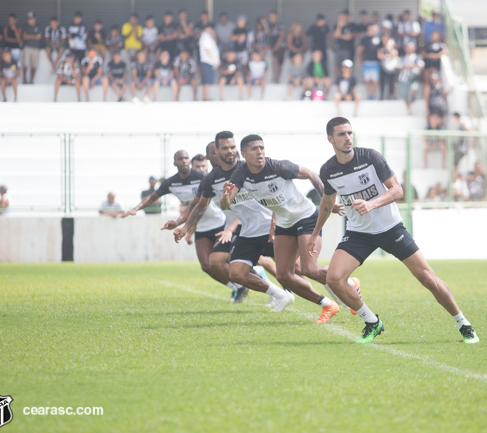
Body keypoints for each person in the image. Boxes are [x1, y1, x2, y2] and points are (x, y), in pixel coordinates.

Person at [308, 117, 479, 344]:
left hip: (390, 228)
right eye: (341, 134)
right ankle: (372, 322)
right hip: (359, 233)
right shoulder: (328, 170)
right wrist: (314, 233)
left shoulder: (370, 157)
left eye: (349, 133)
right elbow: (327, 203)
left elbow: (397, 191)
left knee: (427, 278)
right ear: (330, 139)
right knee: (334, 278)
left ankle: (463, 323)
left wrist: (371, 204)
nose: (347, 138)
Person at [212, 134, 359, 323]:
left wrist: (328, 202)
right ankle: (328, 305)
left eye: (262, 147)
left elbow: (312, 175)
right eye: (254, 149)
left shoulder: (279, 166)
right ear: (244, 154)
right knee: (284, 276)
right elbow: (226, 204)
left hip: (305, 217)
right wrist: (224, 198)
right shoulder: (240, 174)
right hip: (285, 223)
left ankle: (349, 283)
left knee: (309, 269)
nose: (260, 152)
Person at [179, 132, 303, 310]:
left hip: (263, 226)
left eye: (232, 147)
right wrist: (184, 228)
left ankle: (337, 285)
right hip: (244, 230)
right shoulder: (211, 179)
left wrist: (272, 221)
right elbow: (199, 205)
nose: (228, 151)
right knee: (218, 263)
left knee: (298, 268)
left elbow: (270, 197)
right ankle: (279, 293)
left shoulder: (248, 169)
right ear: (215, 152)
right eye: (222, 149)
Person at [121, 150, 242, 295]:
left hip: (220, 223)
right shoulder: (171, 182)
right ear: (175, 163)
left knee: (222, 260)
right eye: (180, 158)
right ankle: (237, 288)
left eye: (186, 158)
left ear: (189, 162)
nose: (184, 160)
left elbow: (202, 202)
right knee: (206, 265)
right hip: (200, 226)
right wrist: (136, 209)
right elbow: (152, 197)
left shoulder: (203, 177)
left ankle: (250, 279)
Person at [397, 42, 425, 115]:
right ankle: (409, 109)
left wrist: (413, 66)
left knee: (414, 90)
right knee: (405, 96)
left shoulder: (417, 57)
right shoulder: (402, 58)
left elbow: (422, 66)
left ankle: (412, 100)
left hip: (414, 78)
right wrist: (406, 67)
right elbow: (398, 68)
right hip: (404, 78)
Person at [357, 24, 381, 100]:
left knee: (375, 80)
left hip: (375, 62)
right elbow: (360, 50)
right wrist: (359, 59)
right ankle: (368, 95)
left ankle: (373, 94)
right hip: (366, 62)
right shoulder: (364, 39)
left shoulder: (379, 39)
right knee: (367, 80)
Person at [422, 29, 448, 100]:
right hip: (428, 67)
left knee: (437, 84)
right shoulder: (427, 44)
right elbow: (423, 53)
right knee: (427, 84)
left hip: (436, 68)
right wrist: (429, 56)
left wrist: (436, 56)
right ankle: (426, 100)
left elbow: (445, 51)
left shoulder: (441, 45)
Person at [198, 24, 220, 101]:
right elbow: (207, 49)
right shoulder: (206, 36)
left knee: (208, 79)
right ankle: (206, 97)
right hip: (207, 61)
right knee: (207, 80)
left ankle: (206, 96)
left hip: (208, 61)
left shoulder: (207, 37)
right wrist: (214, 59)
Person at [333, 10, 356, 78]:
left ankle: (347, 80)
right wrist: (339, 26)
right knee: (338, 66)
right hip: (339, 49)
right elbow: (336, 35)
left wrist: (340, 35)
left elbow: (349, 37)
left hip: (348, 50)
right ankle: (338, 81)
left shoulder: (351, 26)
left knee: (347, 66)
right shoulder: (336, 26)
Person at [21, 12, 42, 84]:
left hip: (36, 48)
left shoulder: (38, 26)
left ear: (34, 19)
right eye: (28, 19)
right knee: (25, 64)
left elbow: (39, 37)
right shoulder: (25, 26)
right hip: (27, 47)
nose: (29, 20)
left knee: (34, 65)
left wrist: (29, 36)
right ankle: (24, 79)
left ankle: (31, 80)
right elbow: (24, 36)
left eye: (31, 19)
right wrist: (34, 36)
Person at [267, 10, 285, 82]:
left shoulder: (280, 24)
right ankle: (274, 76)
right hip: (273, 45)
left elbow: (281, 35)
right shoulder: (270, 25)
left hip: (280, 46)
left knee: (279, 63)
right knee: (274, 60)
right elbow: (267, 32)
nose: (271, 18)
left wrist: (277, 45)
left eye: (272, 16)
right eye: (270, 16)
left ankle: (278, 78)